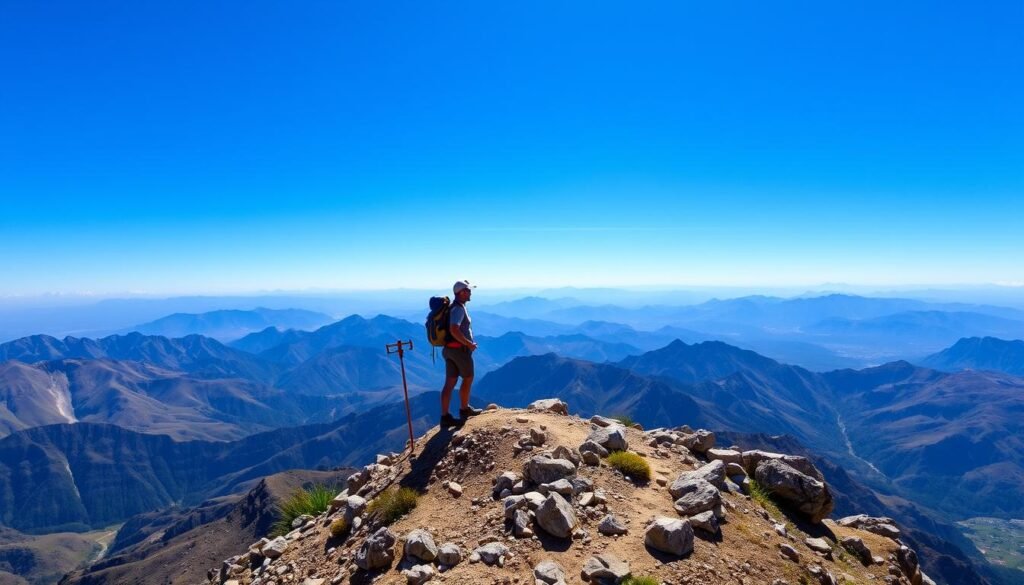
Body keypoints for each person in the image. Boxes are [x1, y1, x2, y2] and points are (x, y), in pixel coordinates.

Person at [440, 279, 483, 427]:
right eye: (468, 290)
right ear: (462, 292)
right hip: (459, 351)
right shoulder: (458, 309)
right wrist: (469, 344)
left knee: (449, 383)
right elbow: (454, 329)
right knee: (468, 378)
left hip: (448, 350)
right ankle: (464, 410)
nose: (470, 293)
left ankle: (445, 417)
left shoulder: (453, 307)